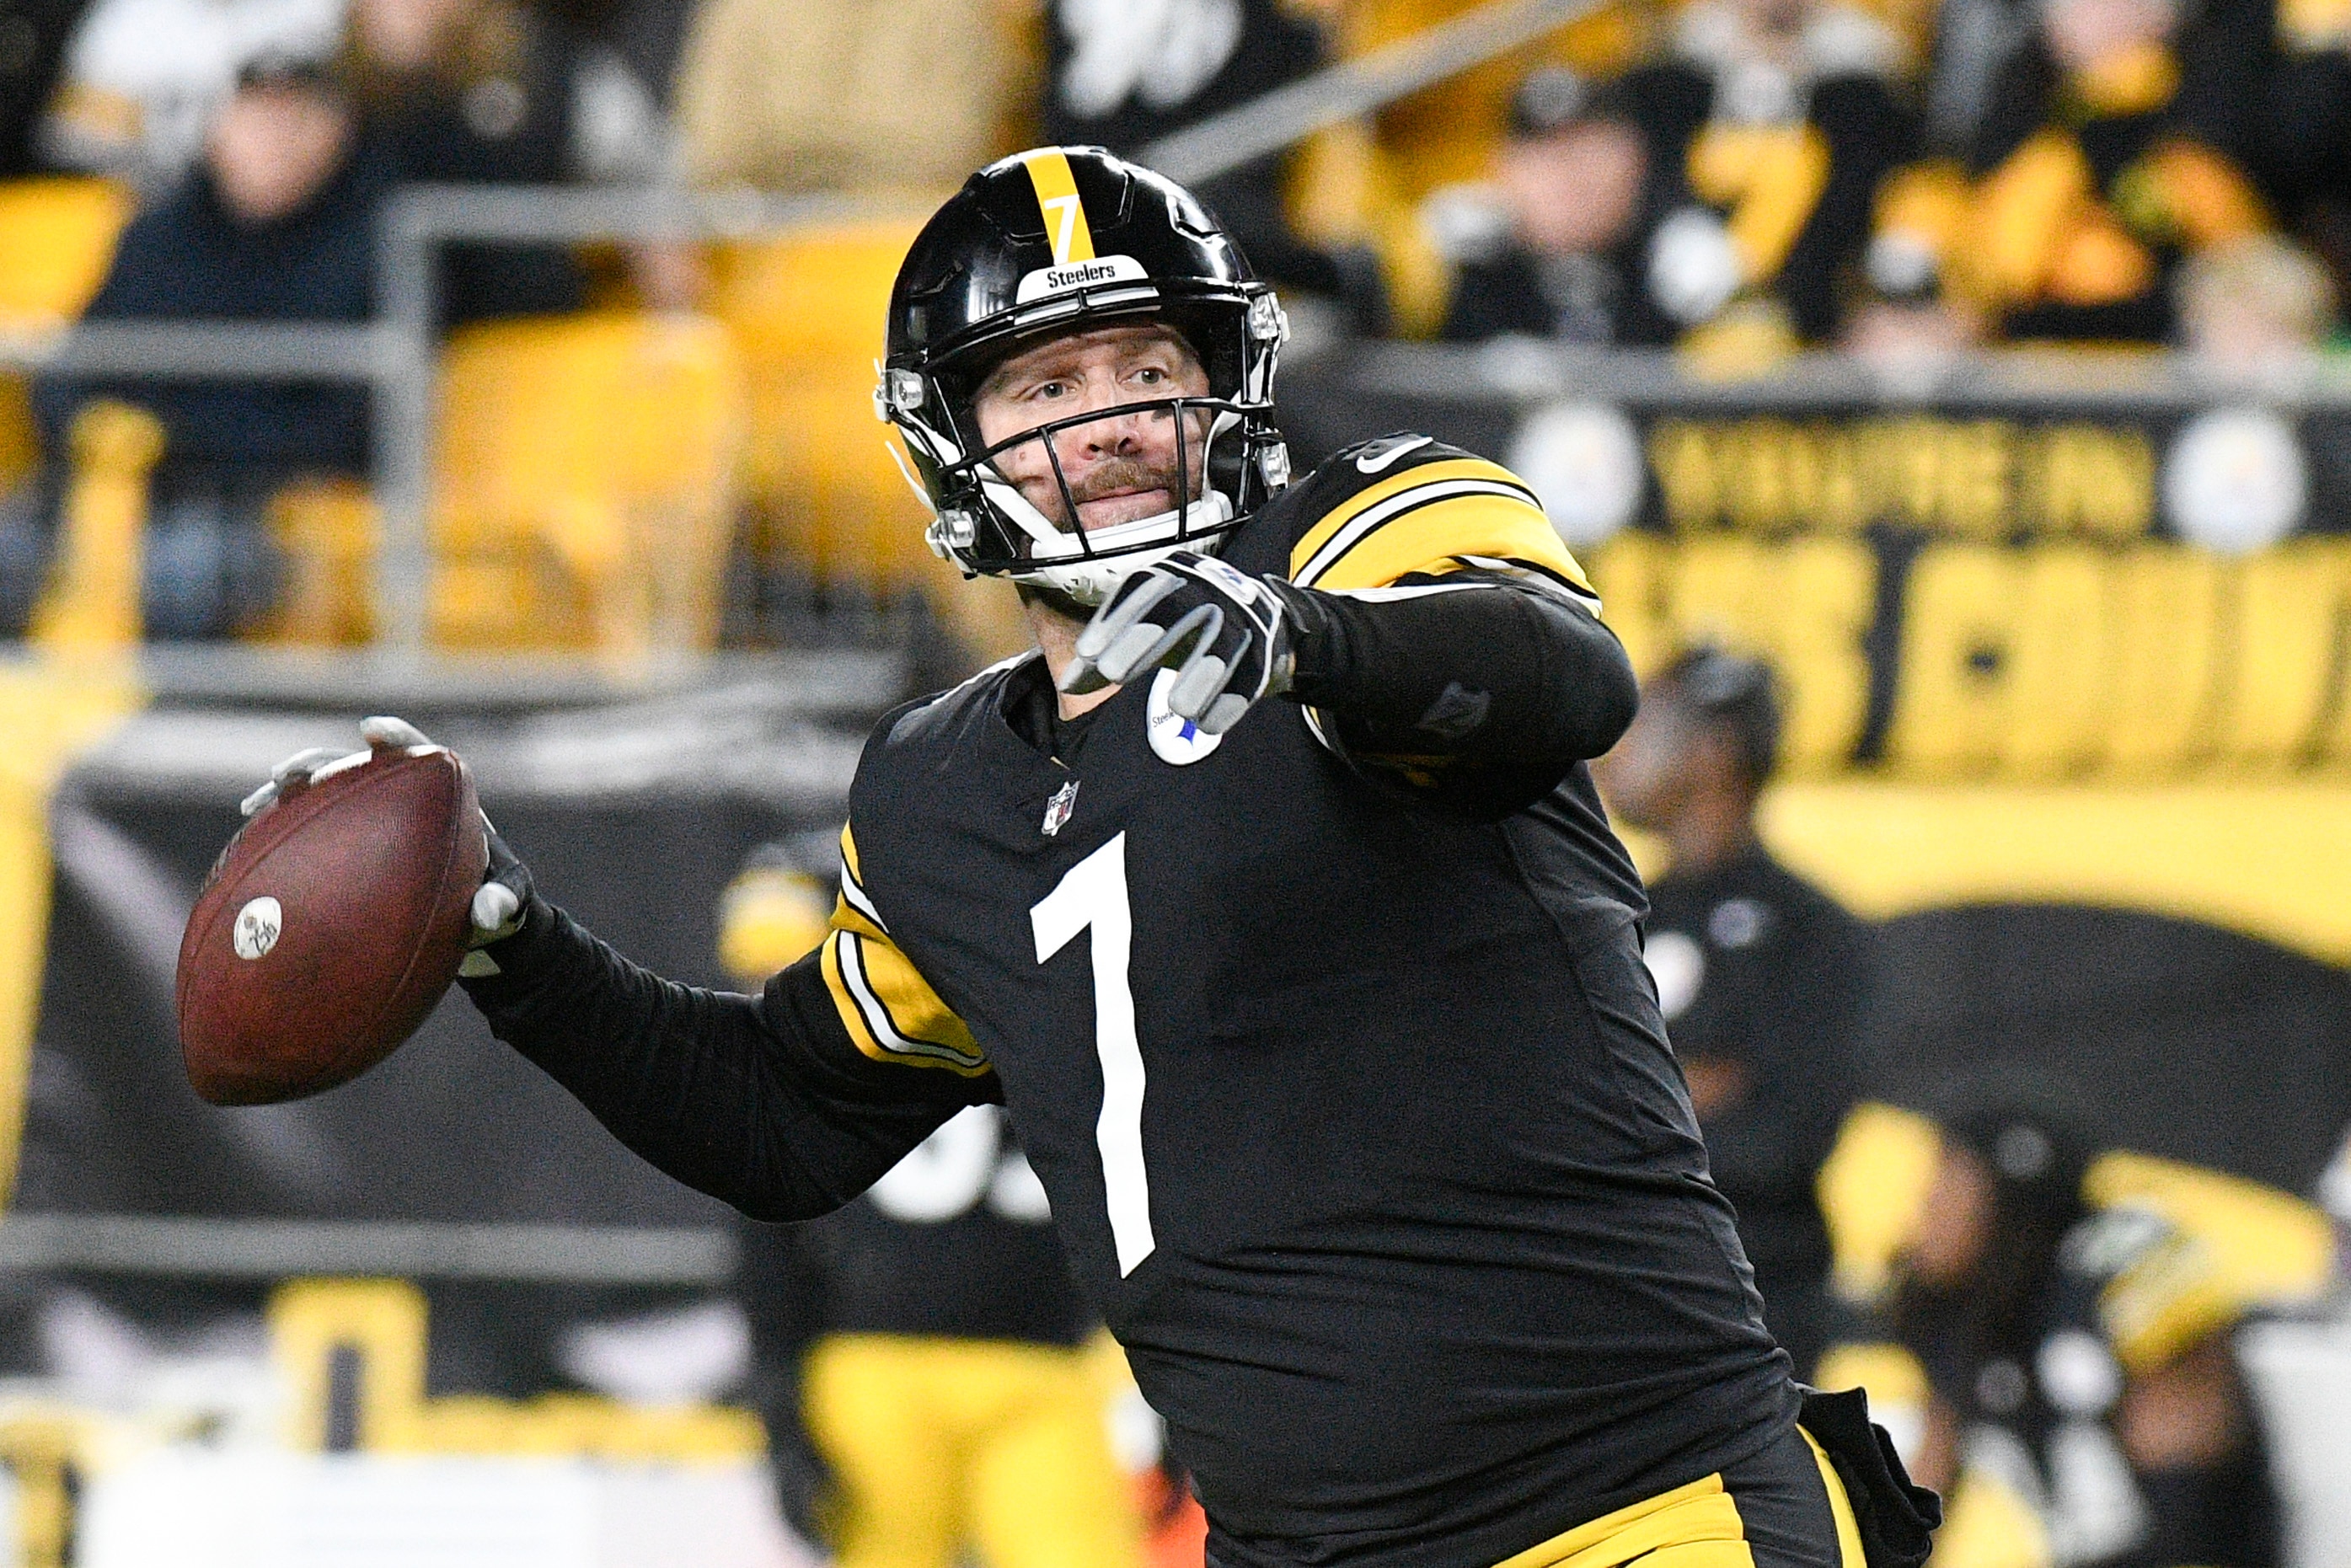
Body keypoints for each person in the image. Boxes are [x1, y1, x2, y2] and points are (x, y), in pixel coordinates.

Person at [264, 148, 1938, 1566]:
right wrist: (508, 942)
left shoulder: (1368, 530)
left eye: (1149, 368)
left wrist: (1305, 642)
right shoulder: (938, 789)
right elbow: (788, 1111)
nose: (1115, 421)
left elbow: (1556, 678)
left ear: (1226, 383)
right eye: (1046, 387)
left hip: (1631, 1512)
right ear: (952, 446)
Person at [32, 51, 382, 637]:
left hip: (257, 501)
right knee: (16, 542)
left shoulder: (367, 249)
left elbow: (345, 426)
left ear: (333, 136)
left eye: (291, 123)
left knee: (187, 562)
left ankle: (168, 725)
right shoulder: (158, 235)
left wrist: (176, 437)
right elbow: (70, 373)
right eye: (254, 118)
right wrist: (98, 434)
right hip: (126, 486)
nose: (269, 142)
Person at [1593, 647, 1868, 1383]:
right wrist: (1701, 1086)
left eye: (1646, 722)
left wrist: (1635, 1101)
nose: (1615, 747)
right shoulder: (1605, 916)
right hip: (1606, 1294)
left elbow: (1790, 1136)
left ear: (1716, 751)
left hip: (1755, 1300)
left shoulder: (1813, 931)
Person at [1880, 1078, 2283, 1568]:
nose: (1923, 1215)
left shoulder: (2110, 1281)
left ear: (2008, 1211)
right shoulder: (1964, 1317)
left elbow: (2191, 1506)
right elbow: (1923, 1496)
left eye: (1944, 1194)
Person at [1436, 67, 1675, 347]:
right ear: (1502, 168)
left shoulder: (1675, 264)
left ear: (1634, 158)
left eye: (1586, 146)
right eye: (1543, 152)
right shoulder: (1468, 282)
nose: (1567, 174)